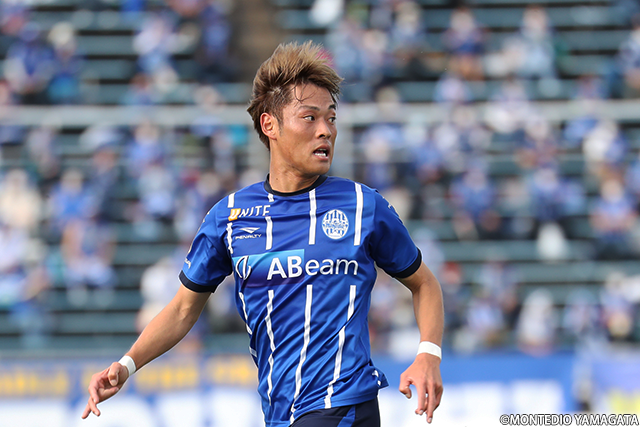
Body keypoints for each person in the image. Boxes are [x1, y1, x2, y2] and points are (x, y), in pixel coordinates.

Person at [82, 41, 444, 426]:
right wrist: (126, 365)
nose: (326, 130)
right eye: (309, 118)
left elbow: (424, 283)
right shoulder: (229, 217)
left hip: (343, 404)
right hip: (280, 413)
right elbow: (183, 309)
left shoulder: (362, 205)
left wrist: (428, 354)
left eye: (331, 118)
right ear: (270, 125)